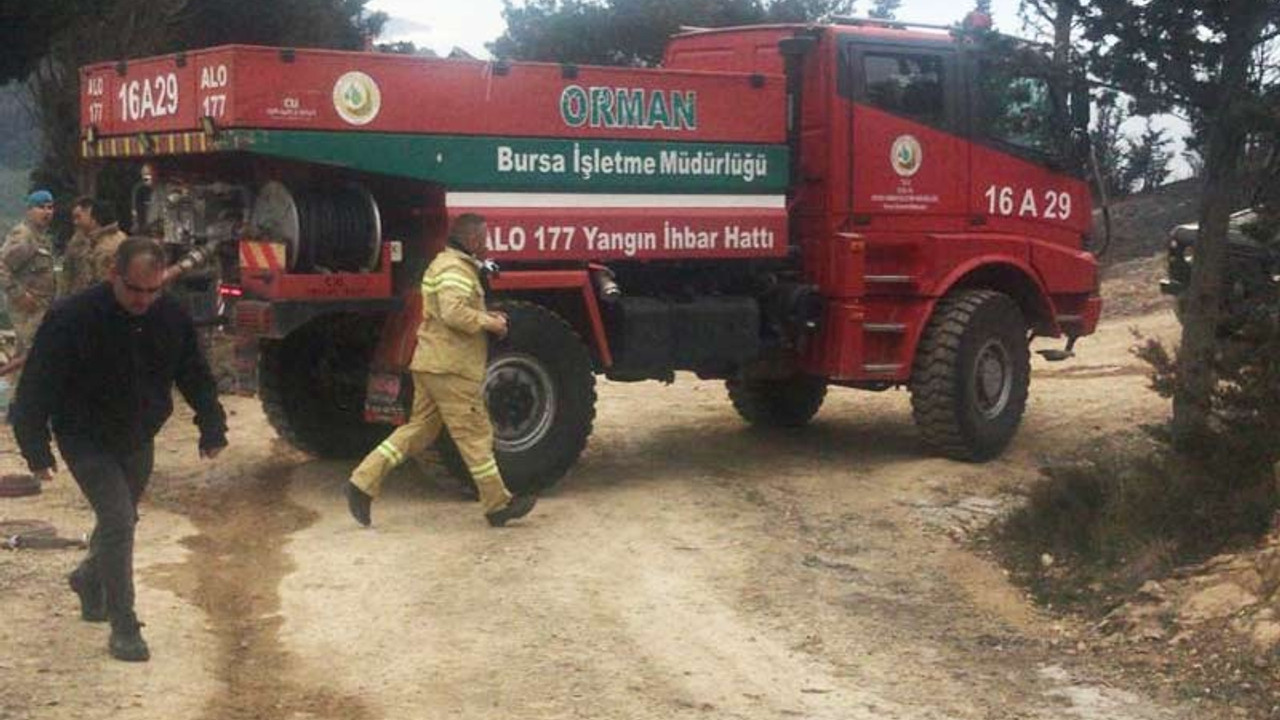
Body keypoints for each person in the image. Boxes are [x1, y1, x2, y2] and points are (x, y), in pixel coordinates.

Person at [9, 237, 228, 662]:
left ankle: (90, 579)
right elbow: (37, 386)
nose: (144, 300)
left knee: (120, 522)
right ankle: (124, 624)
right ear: (114, 274)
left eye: (153, 290)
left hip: (138, 436)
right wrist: (36, 449)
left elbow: (195, 375)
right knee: (118, 518)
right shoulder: (72, 317)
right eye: (135, 290)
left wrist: (212, 426)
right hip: (84, 436)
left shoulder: (170, 316)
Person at [344, 213, 536, 528]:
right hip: (452, 368)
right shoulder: (455, 269)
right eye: (484, 238)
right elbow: (453, 313)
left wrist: (484, 313)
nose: (487, 243)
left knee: (419, 429)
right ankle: (498, 505)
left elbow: (451, 308)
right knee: (474, 435)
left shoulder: (442, 263)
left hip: (432, 363)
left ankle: (362, 483)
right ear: (473, 239)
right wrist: (491, 323)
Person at [0, 190, 57, 364]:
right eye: (41, 208)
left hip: (41, 309)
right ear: (29, 210)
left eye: (50, 208)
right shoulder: (24, 237)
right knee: (30, 359)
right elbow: (2, 267)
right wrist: (19, 295)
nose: (47, 212)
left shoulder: (40, 237)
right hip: (27, 311)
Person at [62, 196, 127, 296]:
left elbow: (103, 282)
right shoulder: (79, 239)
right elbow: (68, 270)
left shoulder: (109, 245)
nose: (75, 222)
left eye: (78, 217)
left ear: (91, 215)